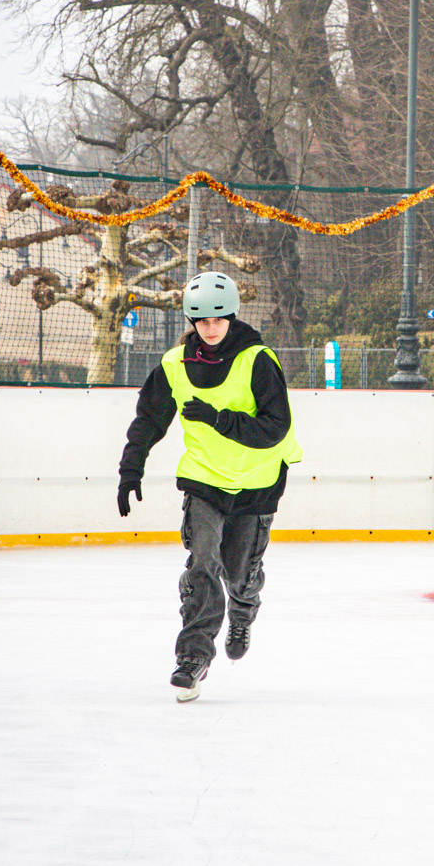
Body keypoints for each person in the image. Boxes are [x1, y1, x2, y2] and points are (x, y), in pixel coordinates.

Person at [116, 271, 301, 702]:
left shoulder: (258, 360)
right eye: (202, 320)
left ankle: (244, 603)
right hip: (204, 480)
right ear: (191, 321)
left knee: (237, 571)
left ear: (232, 317)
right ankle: (193, 656)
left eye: (220, 319)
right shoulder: (174, 364)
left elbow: (276, 427)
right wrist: (131, 469)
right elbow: (149, 420)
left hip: (257, 482)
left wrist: (218, 418)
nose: (212, 328)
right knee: (202, 564)